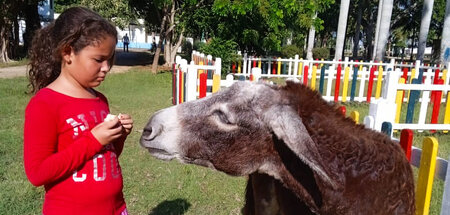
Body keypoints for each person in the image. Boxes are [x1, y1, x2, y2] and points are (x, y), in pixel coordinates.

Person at [24, 7, 133, 215]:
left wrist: (117, 137)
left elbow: (104, 158)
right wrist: (94, 139)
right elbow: (37, 173)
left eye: (110, 59)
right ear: (67, 52)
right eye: (99, 59)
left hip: (115, 208)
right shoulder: (45, 104)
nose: (106, 68)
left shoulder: (100, 100)